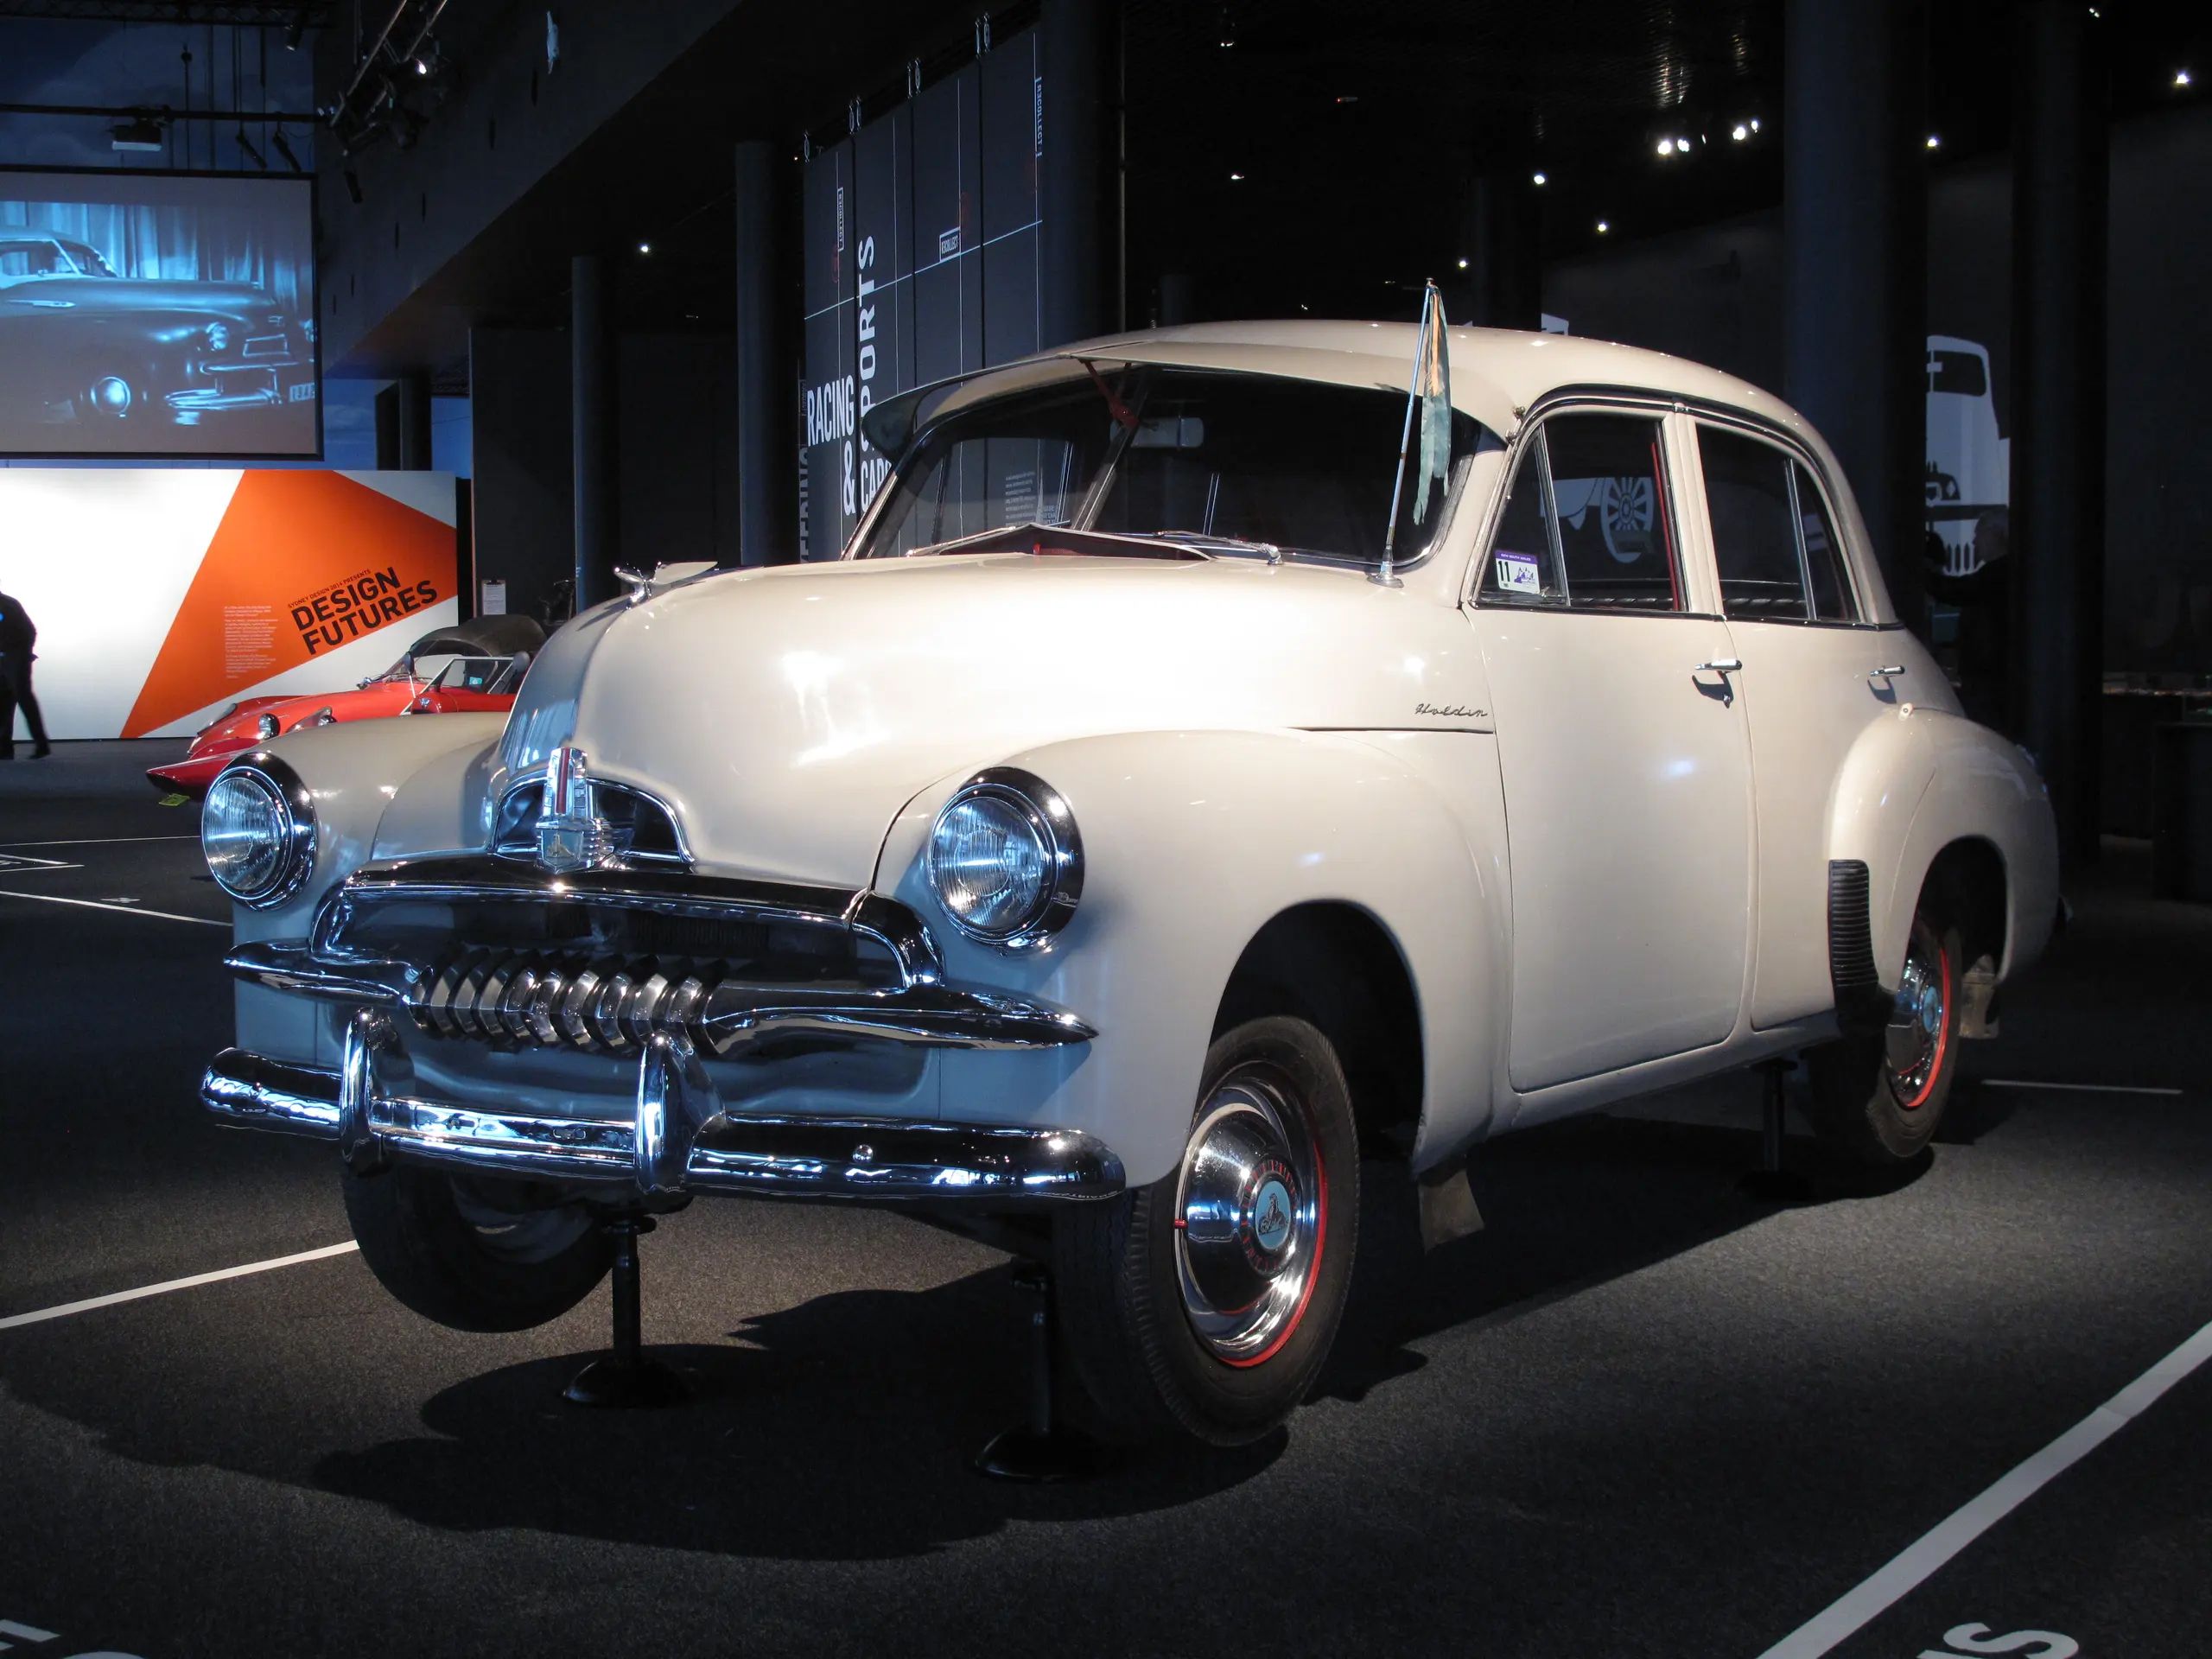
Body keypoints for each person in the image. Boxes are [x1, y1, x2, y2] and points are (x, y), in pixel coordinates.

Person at [0, 587, 52, 760]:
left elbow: (29, 631)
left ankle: (41, 744)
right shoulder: (9, 603)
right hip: (6, 659)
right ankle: (4, 748)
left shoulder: (7, 604)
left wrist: (18, 654)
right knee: (4, 703)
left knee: (23, 699)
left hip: (15, 660)